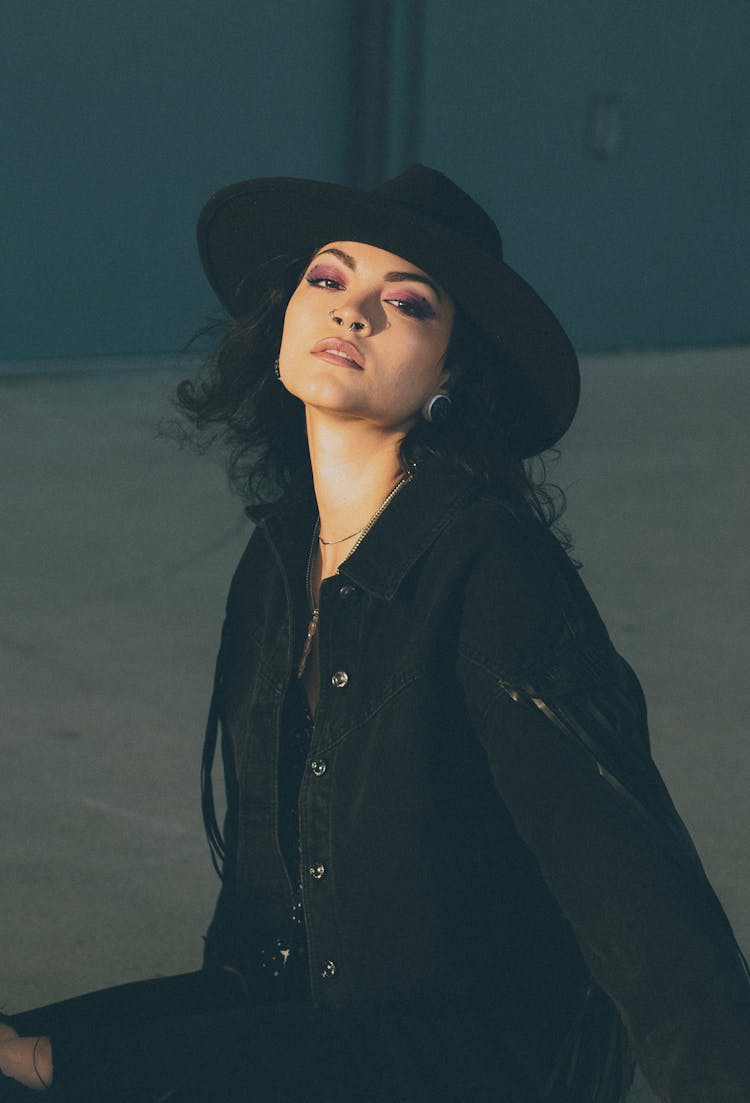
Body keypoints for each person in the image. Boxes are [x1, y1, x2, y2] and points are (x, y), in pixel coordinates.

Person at [2, 164, 748, 1102]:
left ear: (452, 372)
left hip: (478, 1057)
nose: (353, 312)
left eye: (407, 303)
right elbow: (261, 934)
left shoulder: (493, 569)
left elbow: (647, 909)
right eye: (328, 280)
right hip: (320, 1024)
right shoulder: (280, 557)